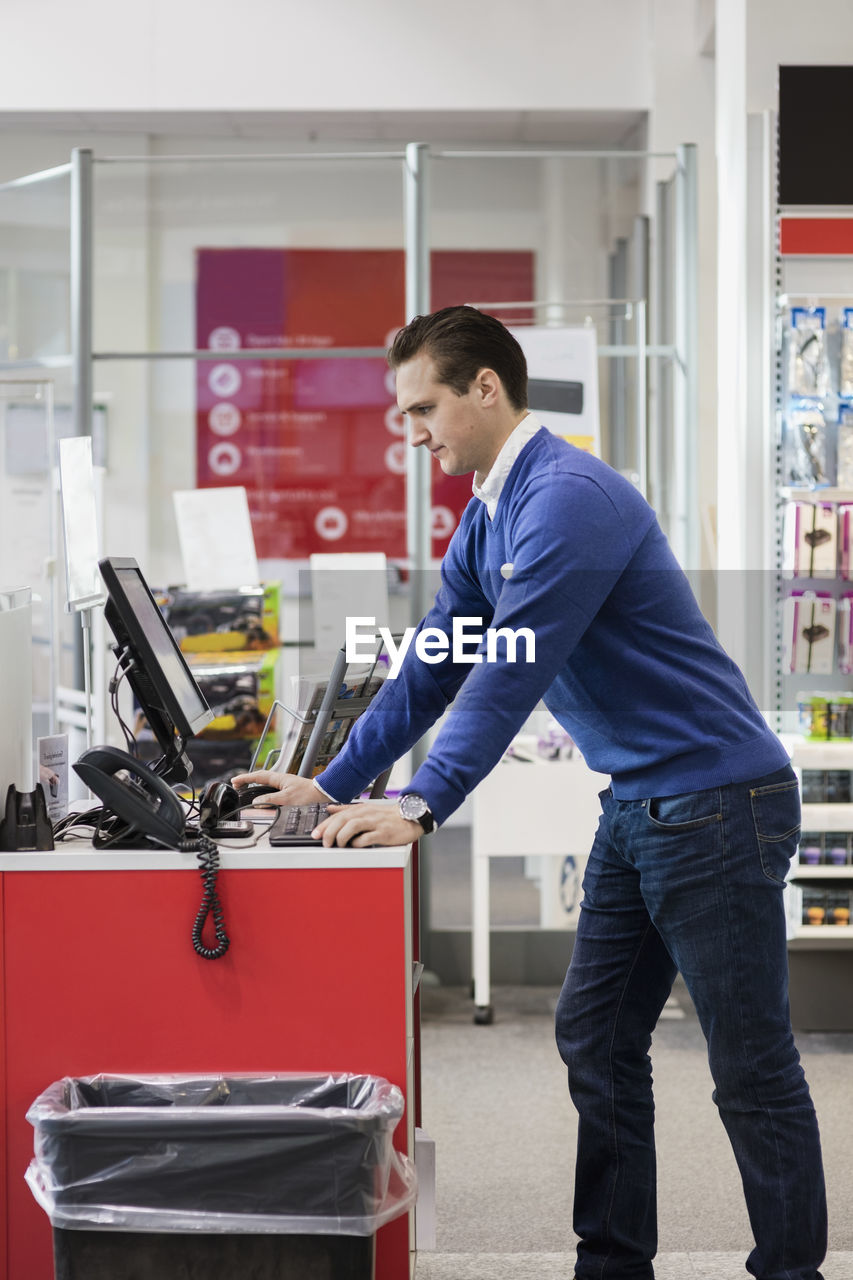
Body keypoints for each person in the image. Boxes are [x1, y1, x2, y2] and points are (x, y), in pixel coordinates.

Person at [233, 304, 826, 1280]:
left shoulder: (566, 499)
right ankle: (613, 1260)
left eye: (422, 406)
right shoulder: (491, 512)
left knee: (749, 1066)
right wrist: (331, 781)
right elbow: (434, 659)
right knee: (594, 1035)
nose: (410, 430)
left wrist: (423, 800)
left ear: (484, 387)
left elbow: (508, 668)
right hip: (640, 802)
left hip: (718, 801)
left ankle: (790, 1271)